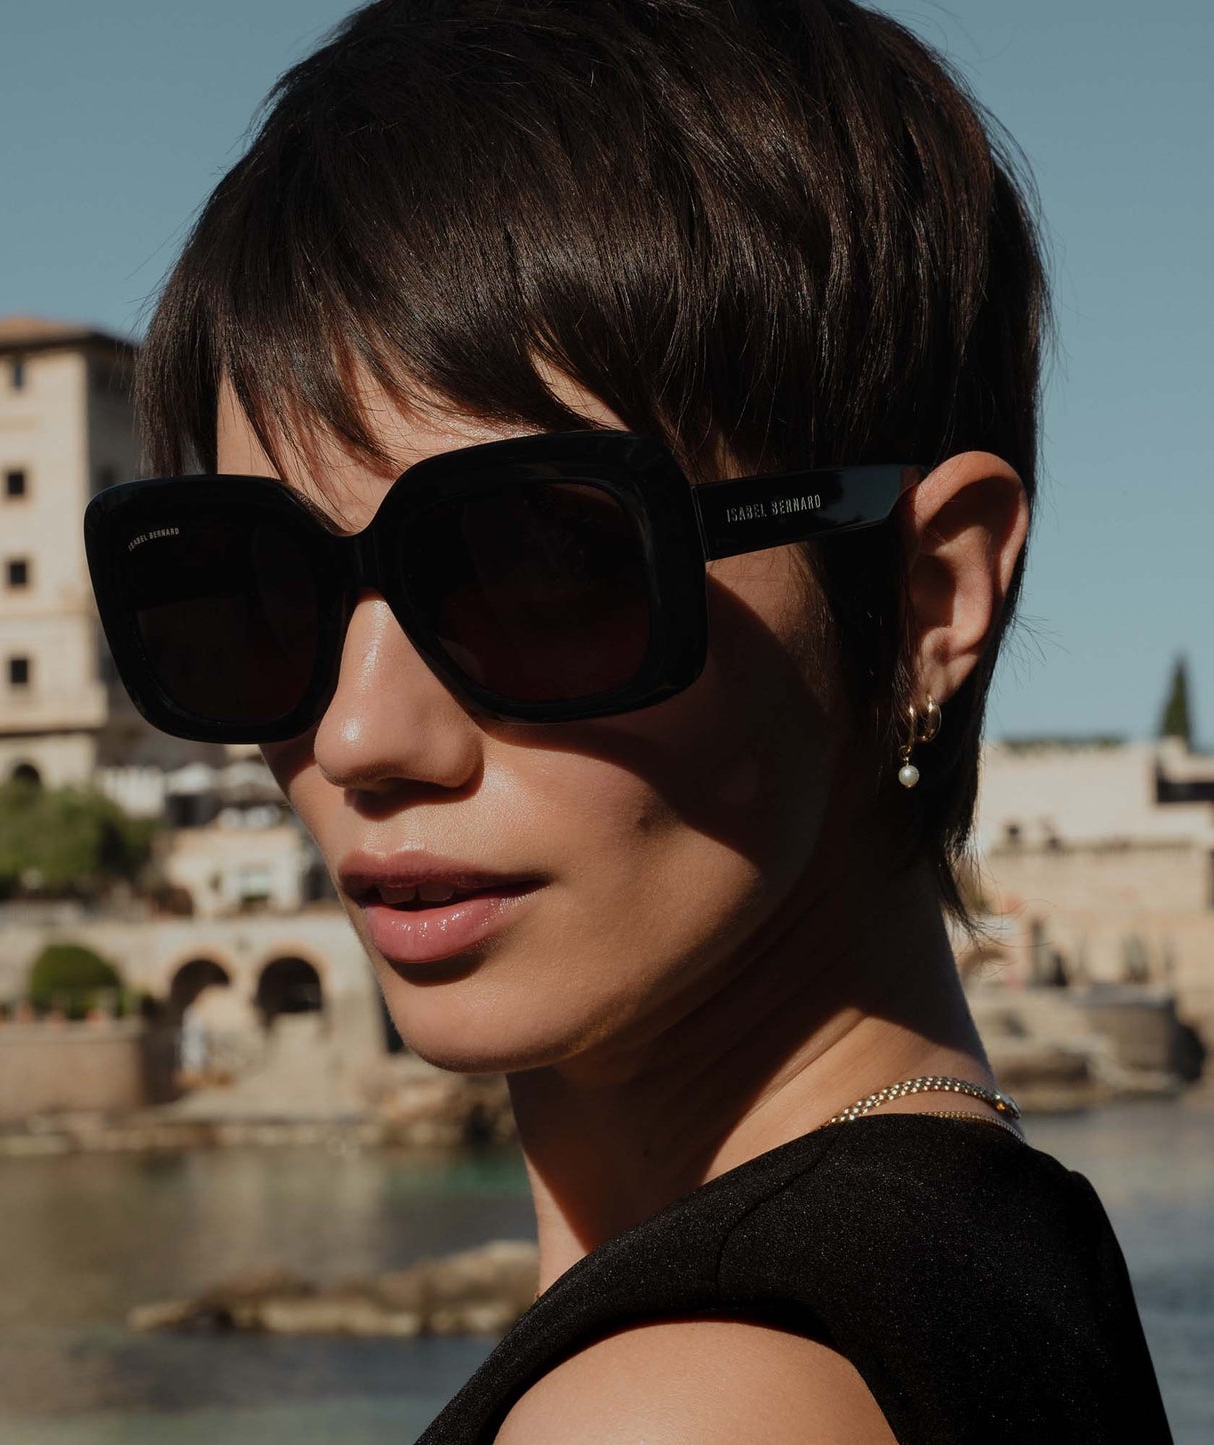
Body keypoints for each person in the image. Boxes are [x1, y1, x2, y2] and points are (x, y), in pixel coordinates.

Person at [85, 1, 1174, 1439]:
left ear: (927, 593)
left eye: (539, 568)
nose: (358, 738)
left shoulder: (691, 1406)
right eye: (262, 590)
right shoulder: (997, 1269)